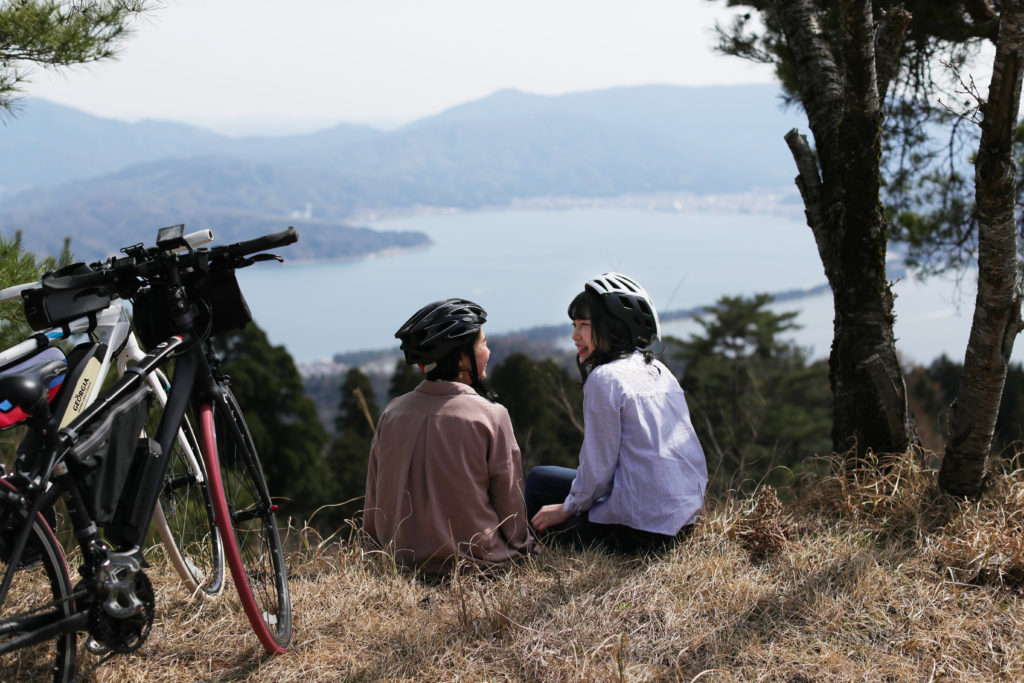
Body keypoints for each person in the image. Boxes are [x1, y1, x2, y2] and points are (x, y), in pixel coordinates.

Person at [526, 272, 707, 554]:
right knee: (552, 481)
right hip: (682, 522)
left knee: (538, 481)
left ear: (611, 326)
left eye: (584, 325)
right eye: (574, 325)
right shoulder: (658, 370)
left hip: (638, 533)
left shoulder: (605, 378)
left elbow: (598, 472)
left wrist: (567, 508)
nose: (575, 336)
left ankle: (521, 555)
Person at [363, 298, 533, 574]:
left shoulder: (391, 414)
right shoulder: (491, 416)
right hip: (477, 565)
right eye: (483, 343)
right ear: (462, 358)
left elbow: (374, 501)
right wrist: (523, 550)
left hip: (399, 563)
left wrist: (376, 555)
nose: (488, 351)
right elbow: (512, 511)